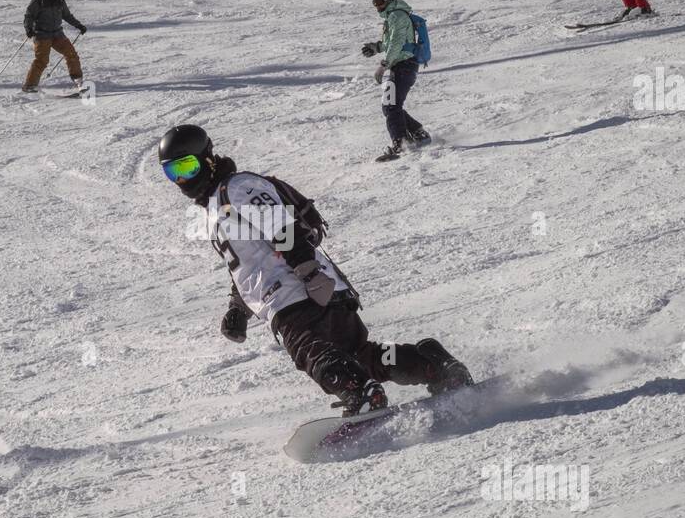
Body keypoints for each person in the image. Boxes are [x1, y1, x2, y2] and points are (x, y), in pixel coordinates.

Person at [157, 123, 474, 416]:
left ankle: (360, 393)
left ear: (208, 158)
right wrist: (237, 310)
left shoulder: (237, 187)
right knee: (363, 356)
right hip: (315, 290)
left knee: (312, 354)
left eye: (188, 166)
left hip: (296, 294)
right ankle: (431, 363)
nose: (183, 180)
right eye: (173, 173)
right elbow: (251, 264)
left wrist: (308, 271)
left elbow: (281, 226)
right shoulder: (216, 208)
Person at [361, 0, 429, 161]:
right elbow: (391, 43)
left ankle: (400, 144)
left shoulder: (397, 16)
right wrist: (376, 47)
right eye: (374, 3)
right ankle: (417, 133)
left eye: (378, 2)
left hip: (404, 66)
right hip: (402, 66)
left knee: (391, 106)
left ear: (388, 0)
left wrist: (383, 65)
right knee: (389, 105)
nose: (377, 7)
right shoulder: (394, 16)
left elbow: (397, 44)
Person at [22, 0, 87, 92]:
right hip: (42, 35)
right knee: (41, 60)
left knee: (71, 54)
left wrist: (78, 25)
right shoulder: (38, 0)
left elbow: (66, 15)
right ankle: (29, 85)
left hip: (57, 33)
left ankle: (78, 80)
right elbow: (29, 16)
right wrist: (28, 29)